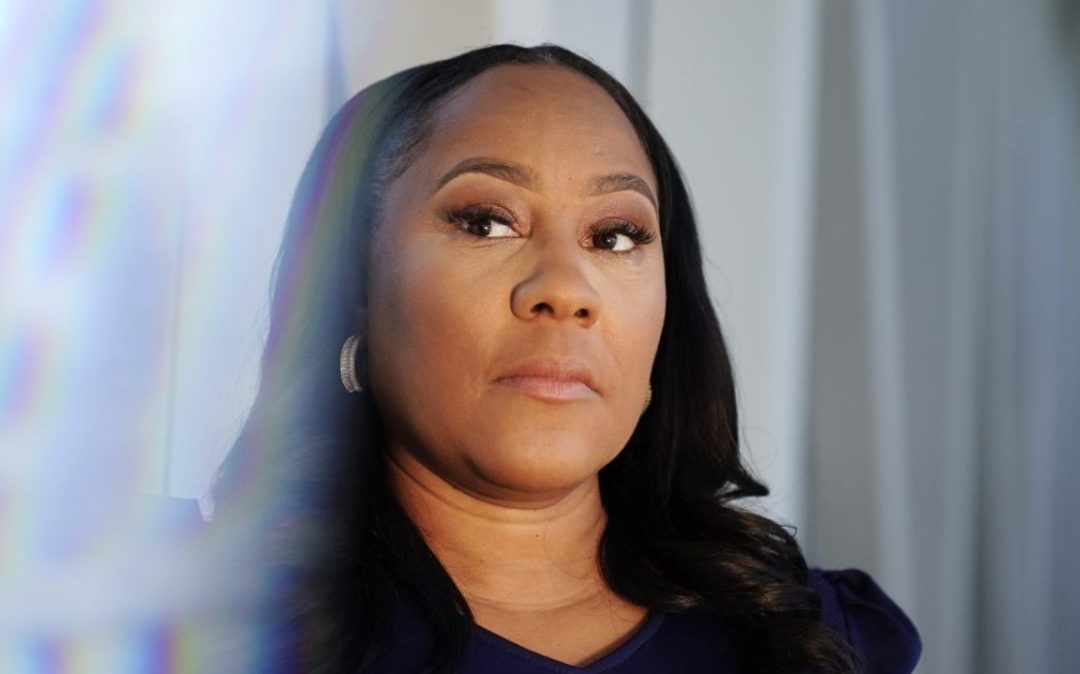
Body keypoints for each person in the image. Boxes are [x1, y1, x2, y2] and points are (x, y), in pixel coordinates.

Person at [206, 43, 921, 673]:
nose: (565, 290)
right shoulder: (210, 630)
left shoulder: (811, 637)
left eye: (615, 236)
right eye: (487, 222)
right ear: (354, 284)